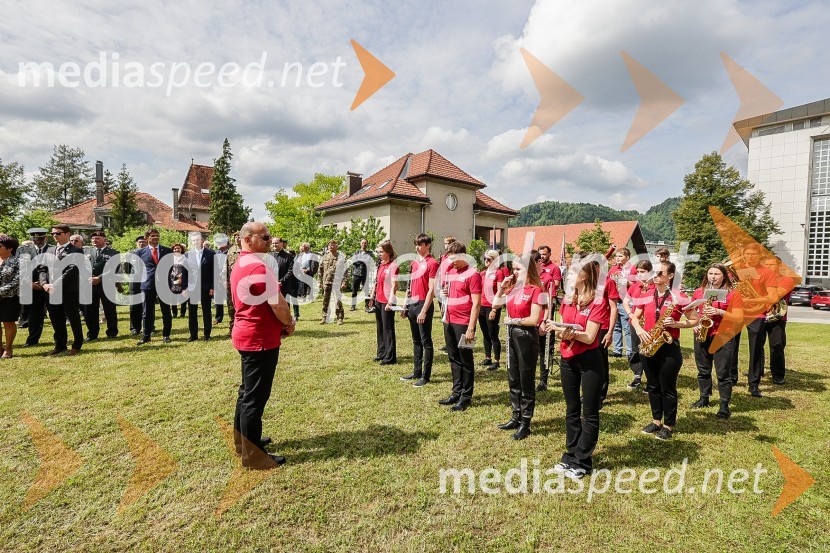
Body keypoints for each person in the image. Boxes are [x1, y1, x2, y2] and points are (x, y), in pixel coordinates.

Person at [231, 222, 295, 469]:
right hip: (258, 339)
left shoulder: (244, 262)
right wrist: (289, 322)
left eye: (270, 237)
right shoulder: (257, 266)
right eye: (265, 237)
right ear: (248, 238)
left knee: (247, 392)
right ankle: (253, 456)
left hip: (249, 334)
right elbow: (277, 303)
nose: (270, 240)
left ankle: (245, 442)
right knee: (254, 398)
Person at [544, 259, 608, 478]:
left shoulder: (598, 302)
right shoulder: (568, 300)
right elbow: (563, 330)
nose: (567, 276)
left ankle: (583, 461)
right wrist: (558, 329)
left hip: (590, 360)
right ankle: (570, 454)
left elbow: (590, 337)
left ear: (584, 276)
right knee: (571, 409)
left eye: (572, 273)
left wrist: (572, 333)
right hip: (567, 358)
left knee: (589, 412)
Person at [629, 260, 697, 440]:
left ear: (671, 276)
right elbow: (635, 317)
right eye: (655, 273)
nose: (655, 276)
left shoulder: (679, 297)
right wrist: (639, 329)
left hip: (668, 347)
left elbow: (694, 320)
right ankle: (656, 420)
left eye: (660, 273)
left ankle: (668, 425)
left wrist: (677, 323)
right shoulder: (646, 294)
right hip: (649, 344)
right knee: (652, 385)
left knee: (667, 387)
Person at [492, 257, 546, 440]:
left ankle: (526, 422)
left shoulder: (536, 290)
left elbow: (534, 319)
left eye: (518, 269)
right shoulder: (514, 288)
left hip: (526, 336)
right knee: (513, 377)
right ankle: (516, 416)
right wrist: (502, 287)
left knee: (526, 380)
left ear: (528, 269)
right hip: (512, 334)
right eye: (513, 269)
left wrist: (513, 321)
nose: (514, 272)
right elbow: (495, 304)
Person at [690, 264, 744, 419]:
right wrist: (696, 322)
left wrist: (719, 311)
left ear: (724, 277)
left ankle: (724, 404)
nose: (713, 277)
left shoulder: (733, 294)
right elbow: (692, 311)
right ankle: (704, 398)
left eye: (717, 274)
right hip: (703, 332)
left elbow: (739, 317)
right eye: (710, 273)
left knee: (722, 372)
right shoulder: (699, 292)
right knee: (703, 369)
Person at [728, 244, 778, 397]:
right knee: (731, 345)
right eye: (747, 254)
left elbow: (773, 297)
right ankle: (732, 377)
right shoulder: (736, 270)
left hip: (757, 312)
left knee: (756, 348)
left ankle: (754, 383)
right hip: (736, 311)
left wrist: (752, 299)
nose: (750, 257)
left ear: (759, 256)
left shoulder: (767, 272)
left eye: (753, 254)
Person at [437, 241, 481, 412]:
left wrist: (471, 327)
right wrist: (443, 293)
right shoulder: (450, 271)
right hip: (449, 321)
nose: (451, 262)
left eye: (454, 259)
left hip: (464, 323)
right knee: (453, 358)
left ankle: (466, 396)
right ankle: (456, 392)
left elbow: (476, 304)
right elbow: (447, 292)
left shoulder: (473, 274)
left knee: (466, 360)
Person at [40, 224, 85, 356]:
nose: (55, 236)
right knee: (56, 318)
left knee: (73, 318)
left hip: (68, 291)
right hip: (50, 290)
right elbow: (42, 268)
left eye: (58, 233)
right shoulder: (49, 250)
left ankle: (77, 344)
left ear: (67, 234)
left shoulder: (75, 250)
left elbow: (72, 269)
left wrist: (56, 284)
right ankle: (60, 345)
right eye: (53, 233)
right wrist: (44, 284)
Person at [400, 233, 439, 386]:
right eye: (416, 244)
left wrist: (424, 310)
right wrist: (405, 304)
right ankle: (416, 371)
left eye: (420, 244)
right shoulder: (414, 263)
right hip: (413, 304)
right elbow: (409, 286)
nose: (417, 247)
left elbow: (431, 290)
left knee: (425, 341)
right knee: (416, 340)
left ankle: (425, 375)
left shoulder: (432, 263)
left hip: (424, 304)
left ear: (428, 245)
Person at [136, 228, 173, 344]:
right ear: (147, 238)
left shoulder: (167, 251)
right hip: (148, 285)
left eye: (157, 235)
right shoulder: (140, 253)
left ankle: (166, 335)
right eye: (152, 236)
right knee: (147, 312)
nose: (155, 237)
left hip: (164, 285)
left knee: (166, 311)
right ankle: (146, 335)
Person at [763, 255, 794, 385]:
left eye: (772, 265)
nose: (768, 267)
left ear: (779, 266)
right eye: (766, 265)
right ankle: (757, 370)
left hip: (777, 316)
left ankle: (778, 375)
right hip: (760, 315)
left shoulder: (786, 280)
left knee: (777, 345)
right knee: (757, 346)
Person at [21, 228, 54, 347]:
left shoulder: (53, 249)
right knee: (34, 315)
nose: (37, 241)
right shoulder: (24, 251)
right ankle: (32, 340)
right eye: (34, 238)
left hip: (50, 286)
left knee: (55, 314)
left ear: (45, 238)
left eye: (40, 238)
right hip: (32, 287)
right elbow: (21, 269)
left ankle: (59, 339)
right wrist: (29, 283)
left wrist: (46, 283)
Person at [84, 230, 119, 341]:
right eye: (93, 238)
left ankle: (112, 331)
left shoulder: (113, 253)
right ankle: (92, 333)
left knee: (109, 309)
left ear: (104, 239)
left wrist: (99, 278)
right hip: (90, 284)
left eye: (98, 238)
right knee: (90, 310)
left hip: (106, 284)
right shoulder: (86, 252)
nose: (95, 240)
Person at [624, 260, 654, 390]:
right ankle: (637, 376)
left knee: (649, 351)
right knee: (636, 350)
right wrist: (630, 314)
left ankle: (651, 379)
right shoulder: (634, 286)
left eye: (643, 272)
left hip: (649, 324)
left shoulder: (655, 286)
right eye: (638, 272)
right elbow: (626, 301)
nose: (639, 275)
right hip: (635, 322)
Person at [369, 240, 398, 365]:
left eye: (381, 252)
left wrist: (390, 302)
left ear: (388, 252)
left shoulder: (393, 266)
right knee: (380, 328)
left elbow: (394, 286)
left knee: (388, 329)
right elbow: (377, 282)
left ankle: (390, 357)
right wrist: (372, 296)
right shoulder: (381, 265)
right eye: (378, 252)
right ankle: (381, 353)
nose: (379, 254)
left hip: (387, 302)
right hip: (378, 300)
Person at [534, 250, 558, 392]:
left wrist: (544, 320)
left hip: (543, 319)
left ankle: (543, 380)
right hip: (530, 320)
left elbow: (549, 303)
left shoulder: (547, 278)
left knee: (544, 351)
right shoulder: (527, 277)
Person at [185, 233, 215, 342]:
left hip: (206, 287)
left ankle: (207, 334)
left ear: (202, 240)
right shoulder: (187, 255)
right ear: (191, 242)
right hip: (191, 288)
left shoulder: (211, 254)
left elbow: (214, 272)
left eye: (198, 240)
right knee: (192, 312)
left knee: (206, 311)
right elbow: (184, 272)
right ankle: (193, 335)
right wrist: (184, 287)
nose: (196, 242)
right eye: (193, 240)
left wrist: (213, 286)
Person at [478, 249, 504, 371]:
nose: (486, 261)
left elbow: (500, 291)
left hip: (492, 306)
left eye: (489, 259)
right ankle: (487, 357)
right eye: (485, 259)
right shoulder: (482, 273)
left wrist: (494, 309)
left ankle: (496, 360)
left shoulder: (499, 273)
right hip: (481, 306)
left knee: (493, 333)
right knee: (485, 333)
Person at [609, 247, 635, 358]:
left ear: (627, 257)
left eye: (620, 256)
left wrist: (628, 282)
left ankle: (629, 352)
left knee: (627, 328)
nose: (617, 258)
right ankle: (617, 350)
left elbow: (638, 284)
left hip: (627, 302)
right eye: (616, 256)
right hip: (615, 301)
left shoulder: (633, 268)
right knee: (616, 326)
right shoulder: (613, 269)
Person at [0, 234, 21, 359]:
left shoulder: (18, 262)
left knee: (8, 322)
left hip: (10, 297)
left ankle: (8, 348)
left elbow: (17, 281)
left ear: (10, 248)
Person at [269, 237, 298, 321]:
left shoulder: (288, 256)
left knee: (285, 306)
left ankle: (286, 325)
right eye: (273, 243)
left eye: (276, 243)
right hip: (272, 286)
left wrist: (281, 281)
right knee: (273, 306)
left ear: (282, 244)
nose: (274, 245)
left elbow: (291, 271)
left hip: (284, 286)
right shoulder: (269, 255)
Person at [319, 240, 345, 325]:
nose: (331, 246)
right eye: (329, 245)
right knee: (325, 300)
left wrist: (344, 281)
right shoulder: (324, 257)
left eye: (333, 245)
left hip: (337, 282)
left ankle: (340, 318)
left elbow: (346, 271)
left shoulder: (341, 257)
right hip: (326, 281)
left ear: (337, 246)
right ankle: (324, 317)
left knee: (338, 300)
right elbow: (320, 269)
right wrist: (320, 281)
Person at [127, 235, 148, 334]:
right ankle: (134, 328)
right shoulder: (131, 254)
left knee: (148, 304)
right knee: (134, 305)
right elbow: (127, 269)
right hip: (134, 282)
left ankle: (149, 327)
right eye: (140, 242)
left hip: (147, 281)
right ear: (136, 243)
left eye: (144, 242)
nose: (142, 243)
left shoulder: (150, 252)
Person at [350, 238, 373, 311]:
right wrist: (362, 261)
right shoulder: (356, 252)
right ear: (360, 244)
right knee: (354, 290)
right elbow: (353, 261)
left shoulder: (369, 253)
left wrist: (359, 260)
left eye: (365, 243)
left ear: (367, 244)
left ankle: (367, 306)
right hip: (356, 274)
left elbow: (368, 261)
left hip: (364, 274)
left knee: (366, 291)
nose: (364, 244)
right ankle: (353, 306)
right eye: (362, 243)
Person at [169, 243, 188, 318]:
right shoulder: (170, 258)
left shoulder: (185, 258)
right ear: (173, 250)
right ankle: (174, 313)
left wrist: (181, 277)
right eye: (175, 248)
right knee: (173, 297)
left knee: (183, 296)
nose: (176, 250)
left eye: (178, 248)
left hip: (183, 279)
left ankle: (182, 313)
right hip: (173, 279)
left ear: (181, 249)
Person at [213, 235, 229, 324]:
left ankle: (233, 317)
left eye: (220, 243)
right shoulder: (216, 253)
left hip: (227, 280)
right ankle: (218, 318)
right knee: (217, 299)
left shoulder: (229, 253)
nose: (218, 244)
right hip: (217, 280)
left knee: (229, 300)